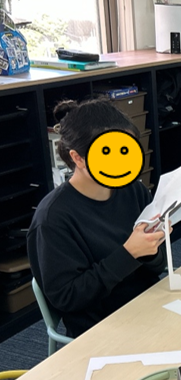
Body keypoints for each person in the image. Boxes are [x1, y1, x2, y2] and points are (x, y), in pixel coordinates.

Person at [28, 99, 168, 338]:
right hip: (100, 327)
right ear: (78, 158)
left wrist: (151, 247)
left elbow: (158, 266)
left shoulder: (133, 190)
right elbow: (67, 298)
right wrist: (129, 253)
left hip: (150, 305)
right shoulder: (53, 219)